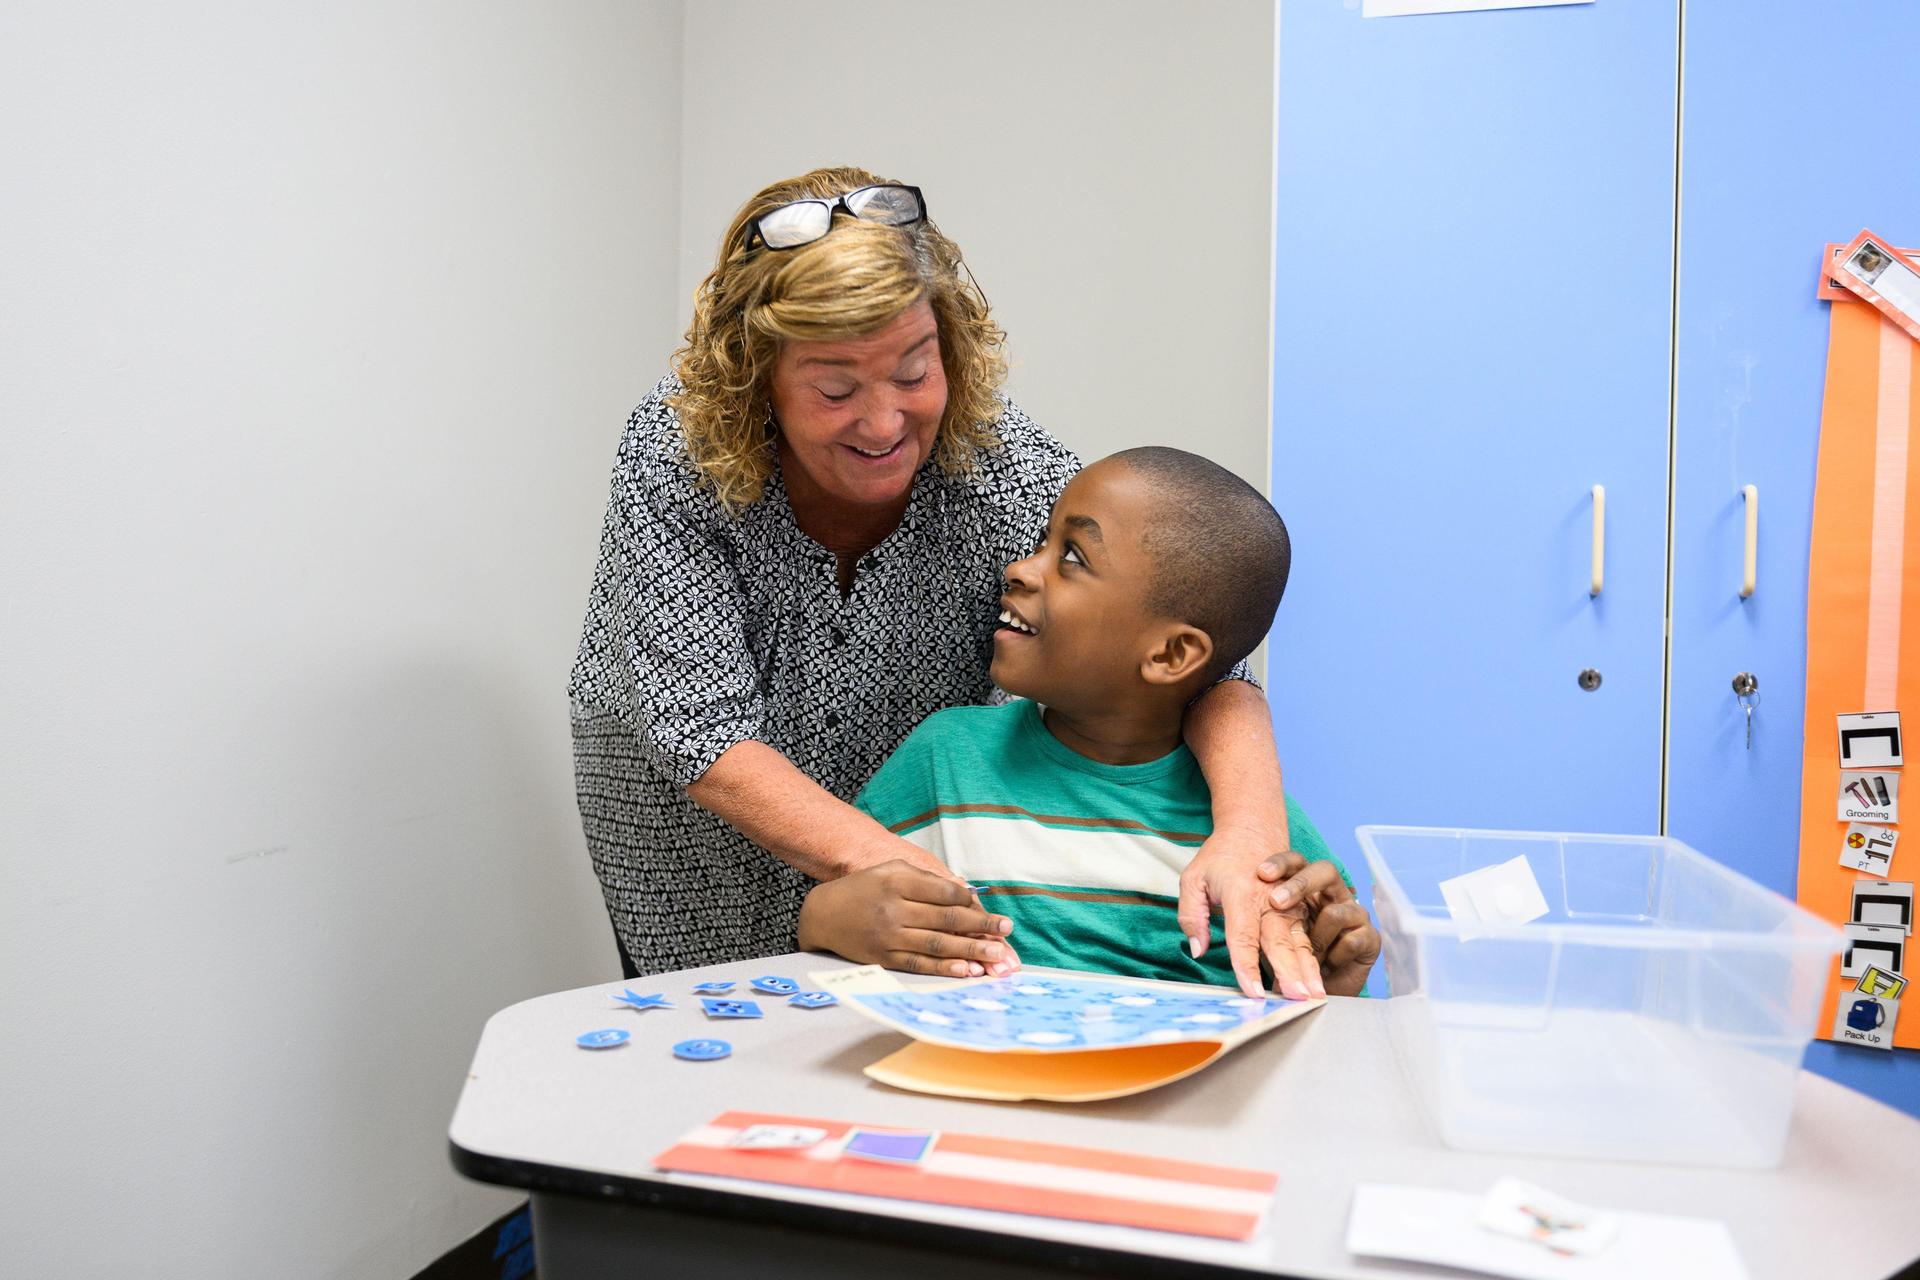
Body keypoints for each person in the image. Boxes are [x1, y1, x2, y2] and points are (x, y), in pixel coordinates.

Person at [569, 167, 1333, 998]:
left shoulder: (1003, 470)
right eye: (835, 388)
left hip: (926, 847)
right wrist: (941, 890)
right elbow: (700, 733)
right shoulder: (677, 459)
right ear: (758, 381)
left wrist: (1251, 842)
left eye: (912, 370)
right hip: (702, 859)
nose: (884, 421)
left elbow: (1198, 654)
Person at [798, 448, 1380, 996]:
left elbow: (1295, 1014)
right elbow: (837, 920)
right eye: (1043, 541)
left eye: (1071, 557)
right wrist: (822, 920)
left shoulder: (1260, 842)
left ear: (1171, 655)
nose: (1019, 569)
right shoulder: (944, 758)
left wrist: (1332, 985)